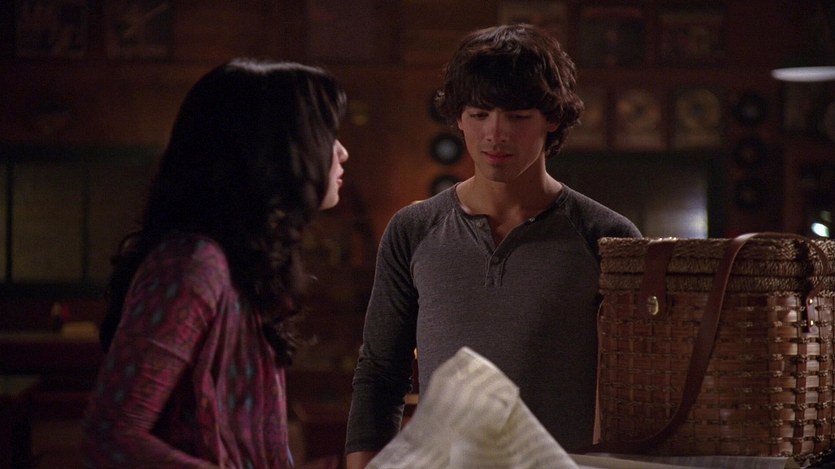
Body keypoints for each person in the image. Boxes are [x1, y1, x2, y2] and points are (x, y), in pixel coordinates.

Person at [345, 24, 641, 467]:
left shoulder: (604, 235)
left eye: (517, 117)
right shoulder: (414, 229)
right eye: (480, 114)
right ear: (458, 118)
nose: (495, 134)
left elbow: (636, 388)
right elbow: (380, 373)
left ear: (552, 119)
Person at [82, 58, 348, 468]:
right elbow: (112, 435)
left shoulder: (246, 267)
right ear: (273, 148)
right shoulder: (194, 266)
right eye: (327, 133)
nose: (342, 151)